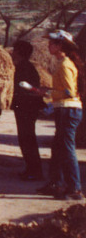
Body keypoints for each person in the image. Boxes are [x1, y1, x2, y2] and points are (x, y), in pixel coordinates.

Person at [38, 31, 83, 201]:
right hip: (65, 109)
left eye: (52, 43)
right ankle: (56, 183)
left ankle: (75, 189)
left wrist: (48, 93)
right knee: (58, 148)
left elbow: (69, 92)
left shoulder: (64, 65)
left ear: (59, 46)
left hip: (68, 109)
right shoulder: (63, 63)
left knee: (66, 148)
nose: (49, 46)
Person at [10, 40, 45, 181]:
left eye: (14, 50)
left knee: (27, 138)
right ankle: (31, 168)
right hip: (26, 106)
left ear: (18, 52)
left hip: (27, 106)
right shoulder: (24, 66)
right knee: (26, 138)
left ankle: (35, 171)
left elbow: (26, 87)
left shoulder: (24, 67)